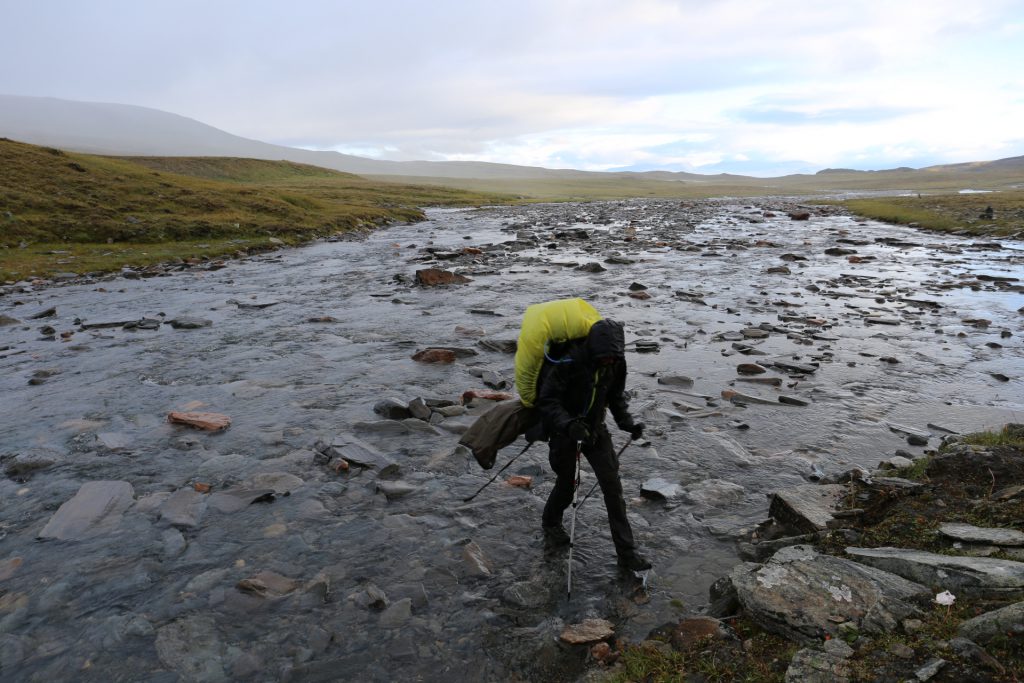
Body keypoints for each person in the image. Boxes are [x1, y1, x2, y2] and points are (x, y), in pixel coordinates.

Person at [533, 318, 651, 571]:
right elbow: (548, 400)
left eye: (613, 357)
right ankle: (551, 522)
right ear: (594, 349)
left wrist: (628, 423)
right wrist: (568, 425)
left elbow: (616, 398)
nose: (609, 361)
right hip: (565, 432)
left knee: (613, 488)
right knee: (567, 483)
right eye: (605, 357)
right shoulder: (569, 360)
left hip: (596, 431)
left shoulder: (616, 362)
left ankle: (627, 553)